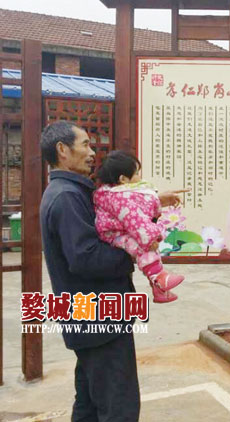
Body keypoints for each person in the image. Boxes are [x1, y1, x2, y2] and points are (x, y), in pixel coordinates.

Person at [39, 121, 185, 421]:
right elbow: (86, 258)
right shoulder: (67, 197)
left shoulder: (71, 191)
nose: (92, 152)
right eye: (85, 145)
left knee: (90, 404)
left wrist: (153, 200)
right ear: (63, 150)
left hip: (91, 320)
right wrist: (135, 252)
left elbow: (117, 210)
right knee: (119, 407)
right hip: (100, 321)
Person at [94, 151, 185, 303]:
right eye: (136, 173)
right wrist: (150, 238)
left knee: (149, 251)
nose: (139, 176)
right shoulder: (119, 197)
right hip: (116, 235)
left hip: (122, 231)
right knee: (144, 249)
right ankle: (159, 278)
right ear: (123, 179)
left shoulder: (117, 193)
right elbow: (135, 219)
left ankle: (159, 289)